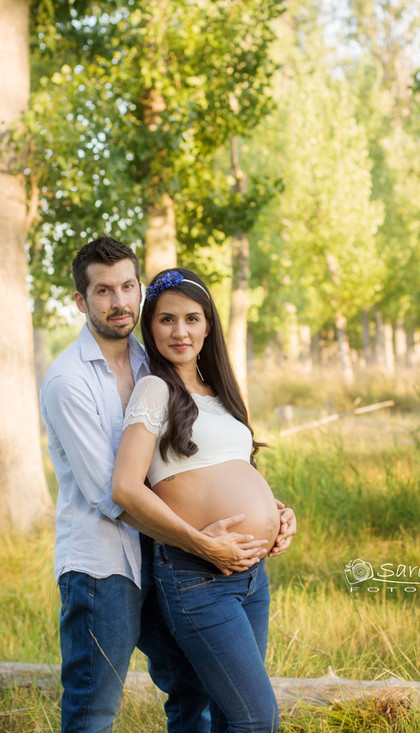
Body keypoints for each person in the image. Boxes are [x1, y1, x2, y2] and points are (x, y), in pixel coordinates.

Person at [40, 238, 295, 733]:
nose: (119, 302)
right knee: (95, 705)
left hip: (168, 556)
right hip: (107, 564)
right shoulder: (68, 381)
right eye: (103, 291)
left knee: (194, 689)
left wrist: (269, 513)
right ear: (81, 300)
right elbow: (113, 493)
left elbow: (201, 462)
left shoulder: (150, 361)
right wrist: (203, 541)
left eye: (128, 287)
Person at [112, 267, 290, 733]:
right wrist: (200, 542)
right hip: (198, 578)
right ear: (150, 326)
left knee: (229, 715)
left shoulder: (220, 393)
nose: (180, 331)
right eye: (166, 319)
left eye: (192, 318)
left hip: (252, 577)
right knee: (256, 719)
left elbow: (234, 469)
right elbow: (125, 488)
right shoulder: (155, 389)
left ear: (208, 325)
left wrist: (277, 514)